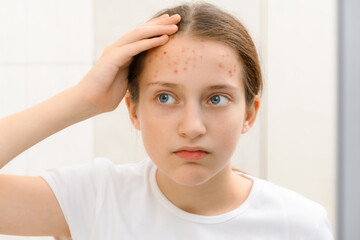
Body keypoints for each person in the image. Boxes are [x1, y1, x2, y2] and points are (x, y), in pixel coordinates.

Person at [0, 2, 334, 239]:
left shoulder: (300, 224)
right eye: (165, 97)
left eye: (216, 99)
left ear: (249, 112)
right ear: (133, 111)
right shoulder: (97, 199)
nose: (192, 127)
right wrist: (82, 100)